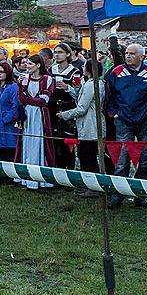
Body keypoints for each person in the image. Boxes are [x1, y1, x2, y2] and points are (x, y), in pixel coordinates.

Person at [105, 43, 147, 209]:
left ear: (142, 57)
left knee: (145, 158)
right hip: (123, 119)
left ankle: (139, 194)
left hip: (145, 120)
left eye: (132, 53)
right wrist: (113, 112)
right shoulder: (116, 72)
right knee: (122, 158)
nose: (128, 56)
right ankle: (118, 194)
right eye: (127, 53)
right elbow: (109, 95)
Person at [59, 59, 109, 197]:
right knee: (87, 156)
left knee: (88, 157)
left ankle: (93, 188)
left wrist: (64, 115)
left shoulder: (91, 85)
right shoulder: (94, 83)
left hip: (90, 126)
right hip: (91, 125)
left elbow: (82, 108)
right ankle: (90, 186)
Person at [16, 54, 56, 189]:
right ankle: (27, 177)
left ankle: (41, 177)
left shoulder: (48, 79)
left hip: (40, 115)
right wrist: (22, 89)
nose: (27, 66)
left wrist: (28, 99)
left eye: (30, 64)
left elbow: (44, 100)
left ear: (38, 65)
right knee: (27, 142)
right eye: (26, 63)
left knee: (39, 141)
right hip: (27, 114)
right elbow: (21, 98)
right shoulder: (24, 79)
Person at [49, 43, 81, 170]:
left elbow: (79, 93)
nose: (57, 55)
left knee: (68, 140)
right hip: (53, 108)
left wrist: (68, 87)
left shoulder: (75, 72)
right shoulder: (51, 70)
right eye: (55, 52)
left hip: (68, 108)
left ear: (68, 54)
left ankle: (69, 168)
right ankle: (55, 167)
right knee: (54, 137)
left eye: (60, 52)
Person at [0, 62, 19, 181]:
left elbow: (15, 105)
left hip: (7, 123)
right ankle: (1, 174)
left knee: (9, 149)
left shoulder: (13, 87)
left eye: (2, 72)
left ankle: (9, 176)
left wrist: (6, 119)